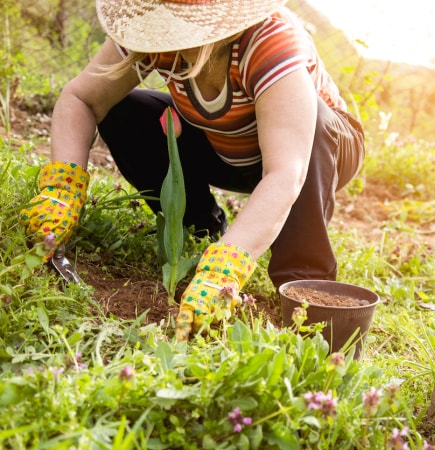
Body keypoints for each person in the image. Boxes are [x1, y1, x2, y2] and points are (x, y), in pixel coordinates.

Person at [19, 0, 365, 341]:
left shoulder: (271, 42)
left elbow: (287, 171)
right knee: (125, 111)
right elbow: (82, 98)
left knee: (315, 120)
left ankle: (304, 286)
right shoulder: (152, 27)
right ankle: (201, 228)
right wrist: (62, 188)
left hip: (317, 150)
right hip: (227, 144)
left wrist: (226, 268)